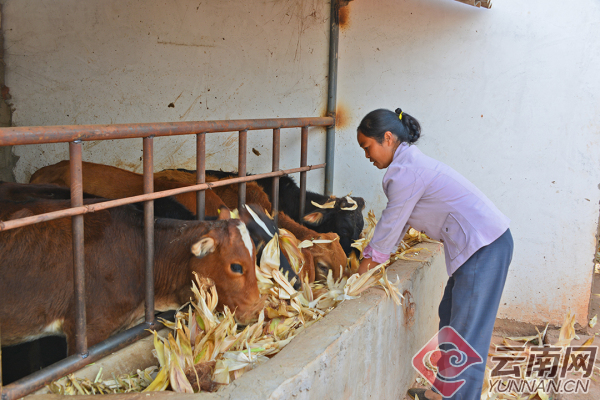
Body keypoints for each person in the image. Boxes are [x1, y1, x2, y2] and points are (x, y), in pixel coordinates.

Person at [357, 108, 513, 400]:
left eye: (368, 147)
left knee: (467, 336)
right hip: (479, 246)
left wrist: (364, 268)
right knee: (450, 318)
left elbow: (390, 225)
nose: (367, 155)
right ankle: (442, 392)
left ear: (387, 138)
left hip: (485, 246)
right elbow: (399, 223)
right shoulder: (408, 166)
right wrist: (376, 258)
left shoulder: (405, 172)